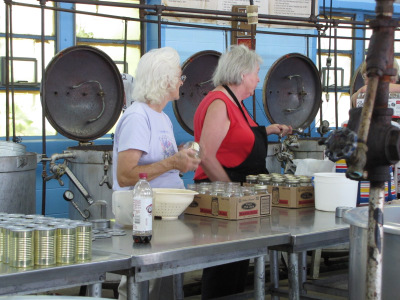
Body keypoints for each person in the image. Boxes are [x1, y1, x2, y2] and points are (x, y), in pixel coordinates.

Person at [193, 44, 292, 299]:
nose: (258, 79)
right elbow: (204, 155)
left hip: (236, 195)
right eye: (256, 73)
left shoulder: (234, 102)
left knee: (237, 268)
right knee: (223, 270)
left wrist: (269, 129)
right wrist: (231, 191)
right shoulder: (219, 102)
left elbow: (239, 136)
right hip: (223, 197)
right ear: (241, 73)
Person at [112, 47, 201, 300]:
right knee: (143, 287)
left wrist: (180, 156)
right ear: (165, 80)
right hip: (143, 222)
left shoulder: (162, 117)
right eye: (179, 77)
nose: (182, 82)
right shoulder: (138, 117)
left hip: (163, 218)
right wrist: (174, 162)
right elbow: (126, 175)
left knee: (165, 287)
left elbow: (162, 161)